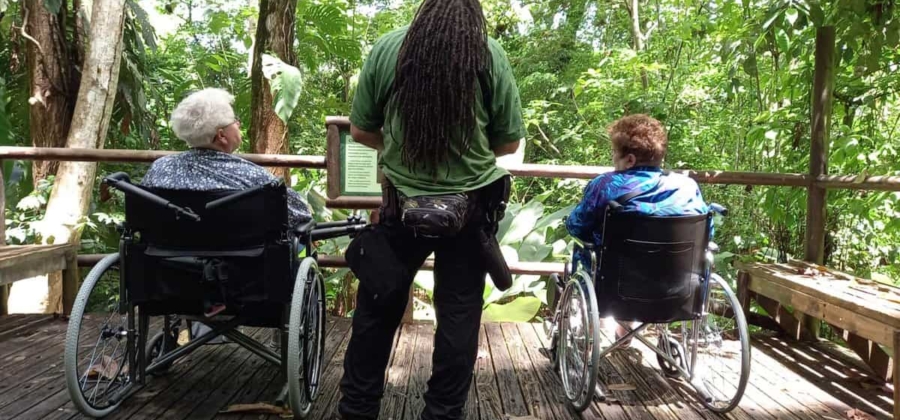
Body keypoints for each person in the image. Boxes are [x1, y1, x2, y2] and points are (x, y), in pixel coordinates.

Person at [338, 0, 526, 418]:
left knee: (377, 306)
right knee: (459, 313)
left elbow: (362, 129)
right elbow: (509, 143)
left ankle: (357, 409)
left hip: (399, 205)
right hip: (471, 209)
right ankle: (443, 413)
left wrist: (405, 150)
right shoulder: (488, 54)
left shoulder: (388, 49)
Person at [565, 114, 708, 344]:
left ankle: (608, 327)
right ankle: (627, 330)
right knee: (649, 264)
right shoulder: (687, 187)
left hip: (618, 289)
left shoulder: (606, 185)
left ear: (629, 159)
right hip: (676, 290)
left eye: (614, 154)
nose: (613, 160)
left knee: (592, 250)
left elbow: (577, 226)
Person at [141, 87, 312, 228]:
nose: (238, 124)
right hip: (242, 264)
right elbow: (301, 215)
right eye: (234, 121)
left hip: (169, 261)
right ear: (221, 135)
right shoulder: (252, 176)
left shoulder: (159, 168)